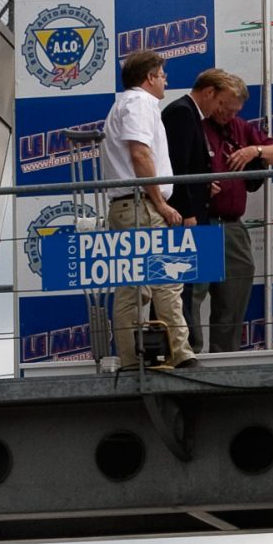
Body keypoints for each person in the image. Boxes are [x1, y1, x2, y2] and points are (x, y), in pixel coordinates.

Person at [163, 67, 273, 354]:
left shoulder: (241, 128)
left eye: (233, 110)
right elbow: (177, 167)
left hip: (233, 224)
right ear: (212, 97)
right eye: (224, 107)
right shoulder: (194, 120)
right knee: (192, 294)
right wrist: (202, 189)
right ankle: (189, 353)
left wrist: (253, 151)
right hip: (202, 221)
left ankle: (226, 354)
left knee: (234, 293)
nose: (227, 114)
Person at [100, 48, 191, 371]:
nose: (166, 81)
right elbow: (140, 154)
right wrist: (161, 202)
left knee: (137, 285)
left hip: (132, 206)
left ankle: (139, 357)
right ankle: (178, 354)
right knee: (156, 283)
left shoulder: (125, 104)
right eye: (163, 75)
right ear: (150, 77)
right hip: (142, 206)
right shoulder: (139, 103)